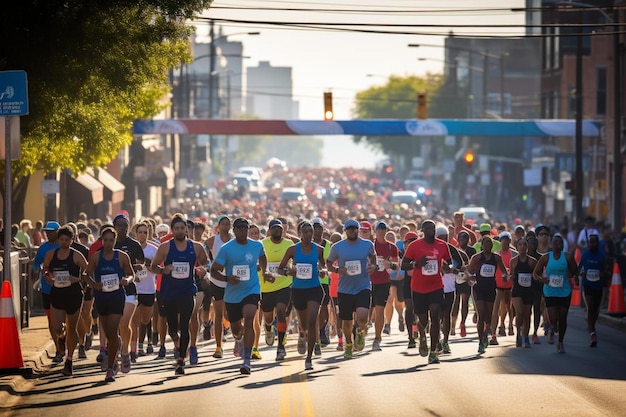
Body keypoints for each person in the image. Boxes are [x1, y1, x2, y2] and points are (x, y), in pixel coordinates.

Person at [210, 217, 271, 375]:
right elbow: (214, 270)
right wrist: (227, 279)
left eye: (245, 228)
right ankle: (239, 339)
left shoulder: (257, 245)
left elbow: (263, 257)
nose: (243, 231)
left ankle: (247, 361)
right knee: (236, 328)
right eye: (240, 228)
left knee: (250, 319)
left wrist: (265, 271)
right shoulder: (226, 248)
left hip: (251, 290)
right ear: (234, 230)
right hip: (232, 294)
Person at [151, 213, 209, 374]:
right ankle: (176, 342)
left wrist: (202, 269)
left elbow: (206, 262)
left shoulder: (196, 247)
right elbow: (153, 266)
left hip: (187, 292)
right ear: (172, 230)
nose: (179, 231)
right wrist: (163, 270)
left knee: (185, 326)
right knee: (172, 329)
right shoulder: (165, 247)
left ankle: (181, 360)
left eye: (182, 228)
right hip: (169, 293)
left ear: (186, 229)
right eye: (176, 228)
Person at [84, 226, 135, 383]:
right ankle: (115, 345)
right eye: (105, 240)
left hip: (117, 297)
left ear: (115, 241)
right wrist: (94, 284)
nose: (108, 243)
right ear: (101, 240)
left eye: (111, 240)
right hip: (101, 298)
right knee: (107, 333)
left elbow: (131, 274)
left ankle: (111, 369)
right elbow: (85, 274)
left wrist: (127, 280)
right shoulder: (96, 257)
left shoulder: (121, 256)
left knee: (112, 332)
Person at [401, 220, 453, 364]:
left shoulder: (442, 245)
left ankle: (434, 351)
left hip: (436, 286)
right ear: (423, 230)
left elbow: (450, 261)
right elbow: (403, 264)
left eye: (433, 228)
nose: (432, 231)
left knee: (435, 317)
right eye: (429, 228)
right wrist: (416, 264)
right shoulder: (414, 246)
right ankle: (422, 334)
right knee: (423, 320)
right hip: (418, 288)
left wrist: (448, 267)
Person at [278, 220, 327, 370]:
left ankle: (309, 358)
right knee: (305, 324)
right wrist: (289, 271)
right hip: (298, 290)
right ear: (300, 234)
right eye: (305, 232)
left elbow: (323, 267)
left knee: (312, 322)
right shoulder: (293, 250)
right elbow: (280, 269)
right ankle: (302, 332)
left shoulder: (318, 249)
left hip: (314, 289)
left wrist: (322, 271)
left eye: (310, 231)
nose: (309, 234)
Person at [326, 219, 377, 359]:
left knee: (362, 316)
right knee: (346, 321)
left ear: (358, 230)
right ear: (345, 231)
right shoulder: (337, 247)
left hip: (363, 286)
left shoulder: (367, 244)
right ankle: (349, 344)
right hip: (345, 289)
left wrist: (374, 266)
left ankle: (360, 332)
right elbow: (328, 263)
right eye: (349, 229)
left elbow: (373, 257)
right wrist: (337, 270)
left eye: (355, 229)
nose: (352, 231)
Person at [42, 225, 89, 376]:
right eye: (61, 239)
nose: (63, 242)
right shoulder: (51, 254)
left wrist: (78, 279)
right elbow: (46, 269)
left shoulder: (76, 255)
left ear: (71, 240)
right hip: (57, 292)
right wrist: (47, 277)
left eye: (66, 240)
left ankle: (69, 360)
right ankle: (61, 338)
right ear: (58, 240)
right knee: (57, 327)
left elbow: (87, 271)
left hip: (74, 293)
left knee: (72, 327)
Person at [533, 233, 578, 353]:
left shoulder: (567, 257)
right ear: (551, 244)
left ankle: (560, 342)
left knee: (563, 318)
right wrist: (542, 279)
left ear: (562, 245)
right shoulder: (546, 258)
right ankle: (552, 327)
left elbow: (575, 270)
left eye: (559, 242)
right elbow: (535, 273)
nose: (557, 245)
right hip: (550, 291)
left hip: (564, 291)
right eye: (555, 242)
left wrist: (571, 274)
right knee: (553, 318)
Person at [466, 235, 508, 354]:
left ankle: (486, 331)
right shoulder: (477, 258)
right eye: (486, 243)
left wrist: (505, 277)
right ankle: (480, 342)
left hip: (491, 288)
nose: (488, 245)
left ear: (492, 245)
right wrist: (470, 277)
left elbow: (503, 271)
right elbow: (468, 271)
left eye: (490, 243)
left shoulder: (496, 258)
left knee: (488, 316)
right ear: (482, 245)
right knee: (481, 314)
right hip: (479, 288)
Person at [260, 219, 294, 361]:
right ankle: (268, 327)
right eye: (274, 229)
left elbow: (295, 262)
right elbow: (257, 262)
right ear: (269, 231)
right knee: (268, 317)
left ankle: (280, 346)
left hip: (284, 285)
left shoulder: (289, 244)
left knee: (281, 312)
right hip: (266, 287)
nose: (277, 231)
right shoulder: (262, 244)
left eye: (279, 228)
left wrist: (290, 270)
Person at [434, 225, 467, 355]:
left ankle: (446, 342)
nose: (443, 240)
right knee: (436, 315)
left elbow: (460, 264)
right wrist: (440, 268)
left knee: (446, 314)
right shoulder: (433, 248)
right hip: (435, 287)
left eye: (445, 237)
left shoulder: (452, 249)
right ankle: (436, 341)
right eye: (440, 238)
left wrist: (452, 269)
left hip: (449, 287)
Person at [32, 221, 62, 361]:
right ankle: (58, 348)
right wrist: (35, 271)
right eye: (47, 231)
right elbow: (36, 264)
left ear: (58, 231)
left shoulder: (63, 246)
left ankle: (64, 341)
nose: (48, 234)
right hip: (47, 288)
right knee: (51, 320)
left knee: (62, 320)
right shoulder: (43, 248)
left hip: (63, 288)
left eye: (51, 231)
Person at [204, 215, 232, 359]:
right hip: (217, 281)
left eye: (228, 224)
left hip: (232, 282)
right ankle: (218, 347)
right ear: (218, 226)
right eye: (223, 224)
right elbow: (203, 249)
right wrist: (209, 264)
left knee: (230, 314)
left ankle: (236, 336)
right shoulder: (213, 240)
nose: (226, 227)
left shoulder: (234, 240)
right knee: (218, 314)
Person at [130, 222, 158, 361]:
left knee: (145, 319)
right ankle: (136, 347)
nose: (142, 235)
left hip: (149, 288)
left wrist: (148, 265)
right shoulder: (131, 248)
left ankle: (141, 342)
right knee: (134, 320)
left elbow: (158, 269)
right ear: (135, 233)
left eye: (145, 232)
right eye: (140, 232)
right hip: (135, 288)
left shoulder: (153, 250)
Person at [370, 221, 399, 351]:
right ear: (375, 231)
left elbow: (397, 265)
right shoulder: (370, 246)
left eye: (384, 229)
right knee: (365, 313)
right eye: (379, 229)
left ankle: (377, 338)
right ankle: (360, 331)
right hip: (368, 282)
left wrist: (390, 265)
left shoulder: (391, 247)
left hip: (383, 282)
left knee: (380, 310)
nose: (381, 231)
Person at [577, 234, 610, 347]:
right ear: (588, 243)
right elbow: (579, 268)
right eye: (591, 242)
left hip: (598, 285)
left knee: (596, 310)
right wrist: (580, 274)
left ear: (598, 244)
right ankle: (592, 333)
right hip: (587, 285)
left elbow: (606, 269)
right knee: (590, 308)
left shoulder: (602, 255)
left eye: (594, 242)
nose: (592, 244)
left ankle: (592, 325)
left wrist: (603, 273)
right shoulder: (585, 254)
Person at [490, 231, 518, 346]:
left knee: (509, 305)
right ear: (500, 241)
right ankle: (501, 325)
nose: (505, 242)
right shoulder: (496, 254)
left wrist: (511, 276)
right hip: (499, 284)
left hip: (510, 284)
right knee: (499, 306)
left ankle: (510, 324)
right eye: (503, 240)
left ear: (510, 241)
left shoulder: (514, 254)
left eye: (507, 240)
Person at [509, 237, 537, 348]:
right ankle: (518, 333)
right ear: (517, 247)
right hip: (517, 290)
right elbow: (512, 276)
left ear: (527, 247)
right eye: (520, 245)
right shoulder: (514, 261)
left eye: (525, 245)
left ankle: (525, 337)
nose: (522, 247)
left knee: (527, 315)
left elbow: (536, 275)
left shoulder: (532, 261)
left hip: (529, 291)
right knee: (519, 312)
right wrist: (509, 277)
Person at [451, 230, 476, 338]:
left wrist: (470, 273)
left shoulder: (472, 250)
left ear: (468, 240)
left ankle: (463, 323)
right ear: (458, 239)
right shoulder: (455, 250)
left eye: (465, 238)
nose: (463, 241)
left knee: (465, 301)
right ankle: (452, 325)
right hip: (456, 277)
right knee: (455, 301)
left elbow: (474, 264)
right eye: (461, 239)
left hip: (466, 278)